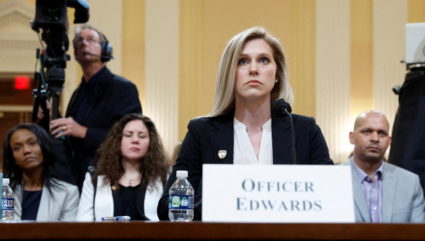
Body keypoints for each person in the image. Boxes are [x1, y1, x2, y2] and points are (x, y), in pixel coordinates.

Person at [157, 26, 333, 220]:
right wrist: (228, 200)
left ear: (277, 75)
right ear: (229, 74)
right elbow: (167, 207)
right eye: (242, 61)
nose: (254, 69)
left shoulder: (304, 131)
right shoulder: (202, 132)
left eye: (264, 60)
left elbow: (332, 199)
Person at [45, 24, 142, 189]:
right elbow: (71, 138)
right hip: (76, 180)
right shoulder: (78, 93)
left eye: (91, 40)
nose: (83, 43)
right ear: (75, 53)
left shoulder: (123, 88)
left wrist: (83, 132)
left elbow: (128, 138)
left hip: (110, 179)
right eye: (79, 41)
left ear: (105, 49)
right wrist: (53, 117)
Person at [76, 114, 169, 221]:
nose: (135, 140)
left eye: (142, 136)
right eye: (128, 135)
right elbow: (82, 223)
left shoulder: (164, 177)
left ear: (151, 143)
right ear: (117, 140)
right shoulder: (95, 177)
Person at [344, 110, 425, 223]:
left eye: (382, 133)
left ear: (389, 141)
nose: (375, 139)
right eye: (367, 132)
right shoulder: (332, 179)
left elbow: (419, 234)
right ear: (351, 137)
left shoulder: (410, 182)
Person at [2, 123, 79, 221]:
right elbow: (7, 226)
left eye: (32, 143)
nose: (26, 150)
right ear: (13, 158)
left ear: (45, 147)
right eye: (17, 148)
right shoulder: (7, 190)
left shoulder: (68, 192)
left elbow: (67, 232)